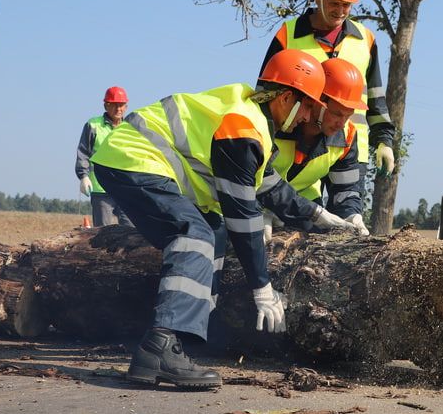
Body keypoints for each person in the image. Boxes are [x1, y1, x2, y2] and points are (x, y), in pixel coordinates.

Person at [90, 50, 361, 389]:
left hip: (135, 159)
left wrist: (318, 215)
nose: (308, 116)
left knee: (213, 231)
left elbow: (269, 186)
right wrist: (262, 288)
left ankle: (187, 336)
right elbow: (244, 216)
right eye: (307, 106)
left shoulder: (254, 121)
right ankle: (159, 346)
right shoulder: (243, 129)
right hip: (133, 158)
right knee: (195, 234)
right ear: (287, 97)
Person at [260, 0, 397, 185]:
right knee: (297, 214)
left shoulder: (366, 40)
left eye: (347, 5)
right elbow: (265, 94)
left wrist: (384, 141)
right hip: (294, 150)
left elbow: (375, 98)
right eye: (335, 3)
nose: (340, 11)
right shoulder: (288, 35)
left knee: (348, 215)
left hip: (350, 151)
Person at [268, 57, 370, 239]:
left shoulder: (347, 136)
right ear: (316, 100)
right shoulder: (279, 122)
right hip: (259, 202)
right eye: (337, 113)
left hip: (304, 207)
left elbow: (346, 190)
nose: (341, 123)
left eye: (348, 115)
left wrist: (352, 215)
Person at [75, 86, 134, 227]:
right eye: (114, 105)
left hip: (126, 188)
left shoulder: (130, 127)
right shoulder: (93, 125)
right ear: (106, 105)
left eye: (121, 105)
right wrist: (83, 176)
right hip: (101, 189)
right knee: (103, 233)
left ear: (126, 106)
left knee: (131, 232)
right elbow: (83, 153)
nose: (118, 109)